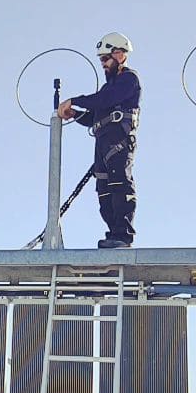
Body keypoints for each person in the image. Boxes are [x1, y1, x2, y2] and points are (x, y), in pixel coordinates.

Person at [57, 32, 140, 248]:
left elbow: (106, 100)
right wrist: (75, 114)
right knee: (104, 192)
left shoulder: (129, 79)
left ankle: (122, 236)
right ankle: (113, 234)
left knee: (119, 185)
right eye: (101, 59)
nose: (103, 64)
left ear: (120, 54)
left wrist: (75, 100)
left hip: (118, 142)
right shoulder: (108, 88)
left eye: (106, 58)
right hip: (103, 145)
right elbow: (95, 117)